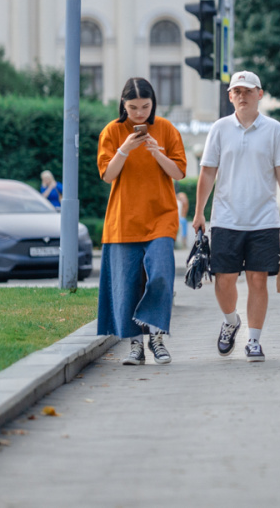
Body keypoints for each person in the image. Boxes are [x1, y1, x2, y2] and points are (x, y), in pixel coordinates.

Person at [193, 71, 280, 362]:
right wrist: (199, 211)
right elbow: (208, 172)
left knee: (257, 280)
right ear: (230, 96)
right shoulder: (219, 128)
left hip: (264, 220)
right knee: (223, 280)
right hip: (225, 219)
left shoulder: (275, 129)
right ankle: (230, 321)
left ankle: (253, 340)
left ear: (259, 94)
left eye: (248, 91)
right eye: (236, 91)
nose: (242, 95)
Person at [96, 78, 187, 366]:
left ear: (153, 104)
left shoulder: (166, 128)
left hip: (161, 216)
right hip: (123, 220)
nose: (139, 113)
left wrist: (156, 152)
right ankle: (136, 346)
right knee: (128, 284)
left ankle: (156, 337)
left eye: (145, 107)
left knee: (160, 274)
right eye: (133, 107)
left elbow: (179, 172)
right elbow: (108, 175)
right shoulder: (112, 131)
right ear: (123, 104)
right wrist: (124, 148)